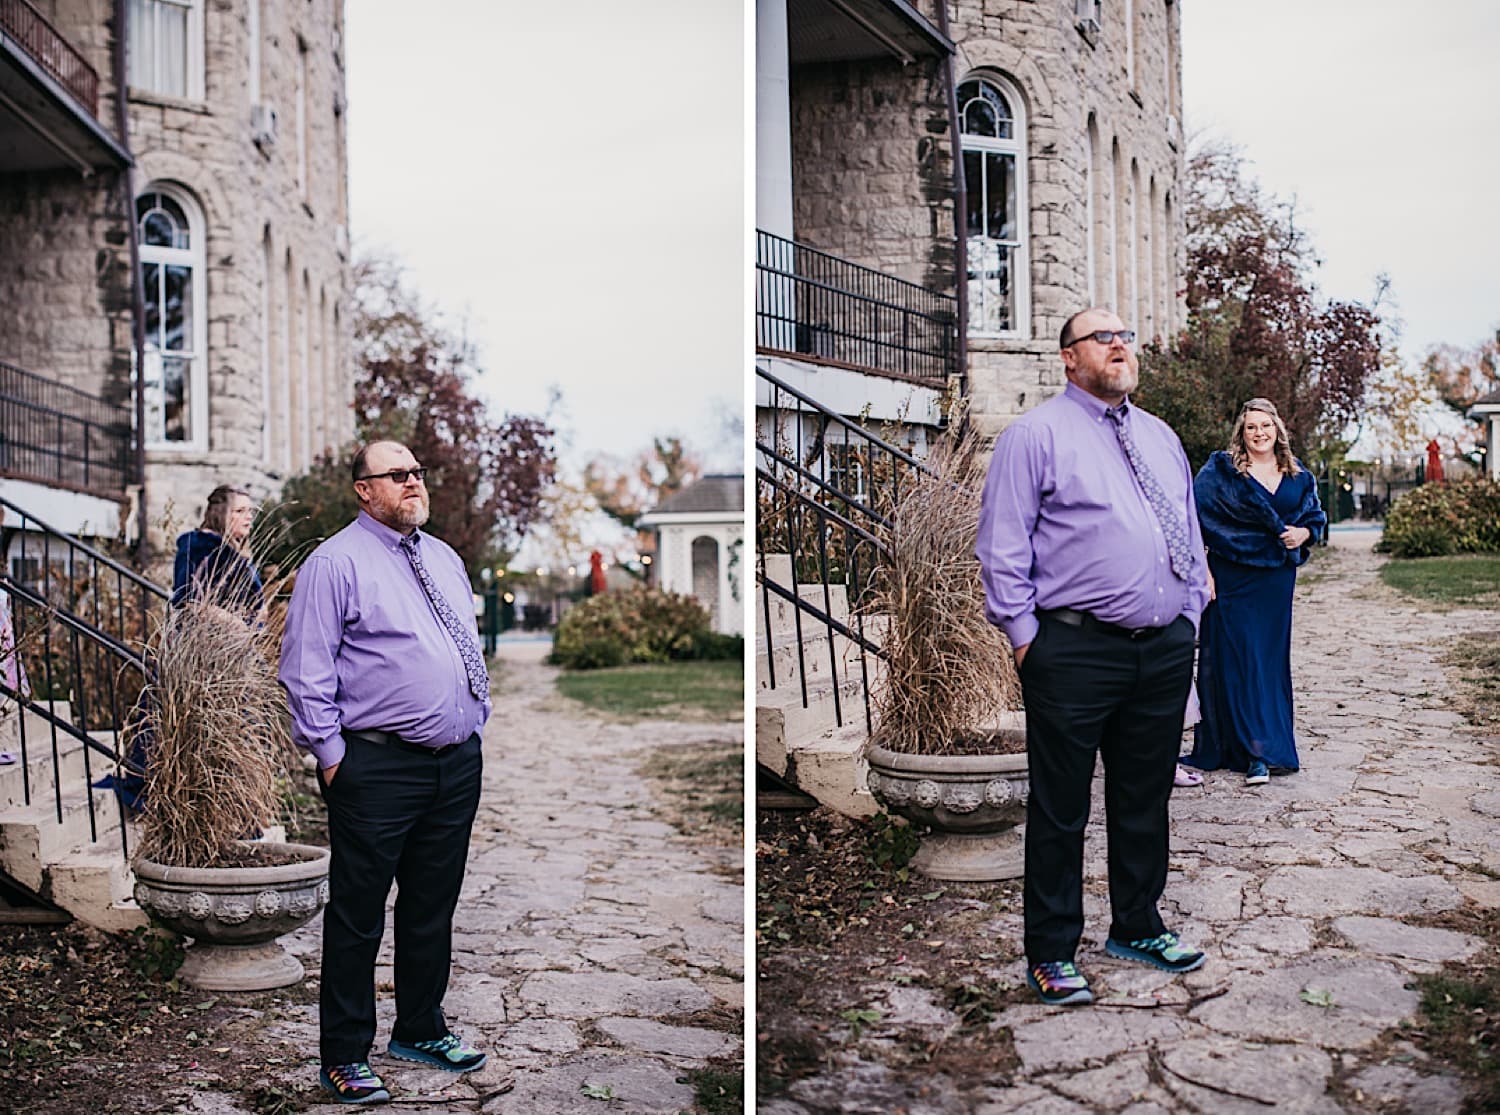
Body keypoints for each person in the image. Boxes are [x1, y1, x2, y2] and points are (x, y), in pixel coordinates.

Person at [977, 306, 1210, 1008]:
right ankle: (1051, 951)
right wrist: (1026, 639)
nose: (1119, 345)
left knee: (1145, 797)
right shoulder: (1034, 436)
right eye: (1101, 337)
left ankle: (1138, 924)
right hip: (1072, 651)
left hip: (1162, 649)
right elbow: (1002, 548)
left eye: (1125, 336)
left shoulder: (1161, 436)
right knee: (1061, 808)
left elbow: (1188, 533)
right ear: (1069, 358)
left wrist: (1189, 612)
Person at [279, 440, 496, 1105]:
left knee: (432, 905)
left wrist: (473, 718)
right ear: (363, 489)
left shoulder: (444, 557)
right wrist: (334, 758)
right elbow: (305, 670)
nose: (412, 482)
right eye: (397, 474)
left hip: (454, 764)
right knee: (358, 915)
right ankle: (344, 1054)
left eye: (417, 473)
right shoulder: (335, 562)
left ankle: (420, 1028)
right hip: (375, 766)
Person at [1182, 398, 1325, 786]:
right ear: (1241, 433)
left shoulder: (1299, 478)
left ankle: (1267, 746)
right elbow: (1194, 522)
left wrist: (1305, 533)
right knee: (1235, 659)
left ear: (1278, 430)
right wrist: (1204, 572)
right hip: (1230, 577)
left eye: (1265, 426)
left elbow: (1315, 517)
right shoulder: (1220, 473)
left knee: (1267, 660)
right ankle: (1249, 752)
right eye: (1251, 427)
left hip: (1275, 580)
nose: (1259, 433)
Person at [172, 485, 264, 614]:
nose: (249, 517)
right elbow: (187, 600)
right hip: (211, 632)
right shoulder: (201, 546)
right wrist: (232, 622)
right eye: (240, 511)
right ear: (221, 514)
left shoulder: (237, 550)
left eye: (250, 511)